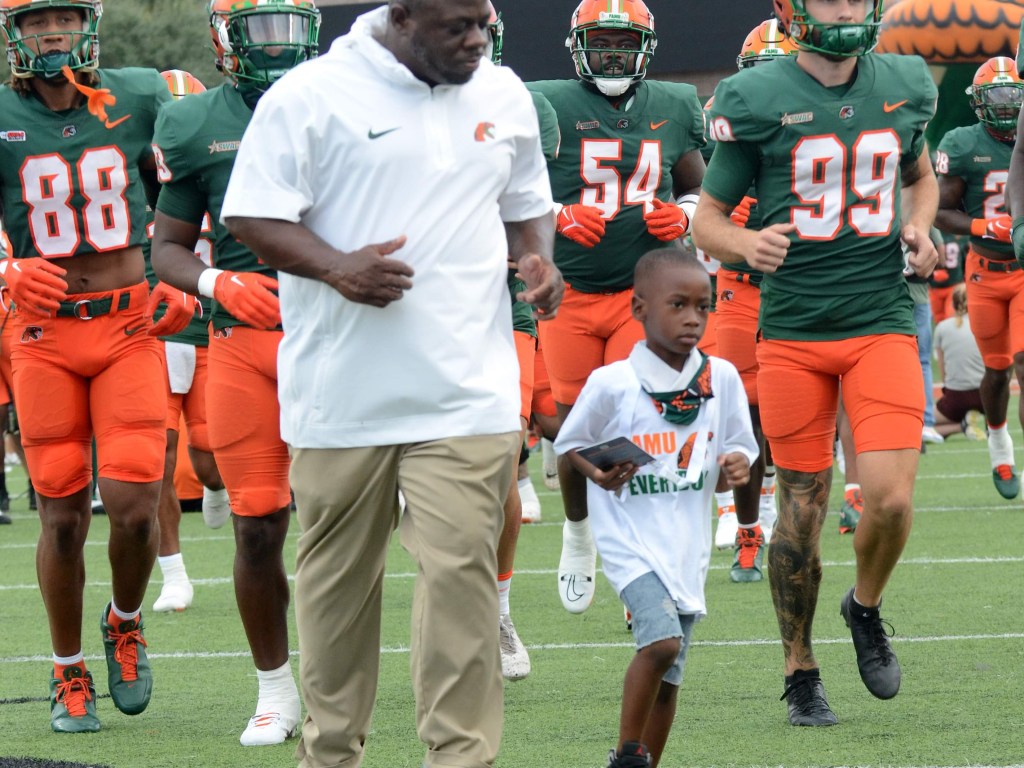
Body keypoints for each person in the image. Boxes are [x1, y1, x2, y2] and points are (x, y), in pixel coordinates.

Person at [220, 1, 561, 766]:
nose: (477, 40)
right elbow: (251, 216)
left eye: (484, 22)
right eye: (458, 26)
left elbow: (527, 208)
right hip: (343, 396)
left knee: (462, 576)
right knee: (337, 593)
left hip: (469, 390)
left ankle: (461, 757)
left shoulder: (504, 91)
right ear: (402, 17)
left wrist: (537, 259)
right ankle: (332, 753)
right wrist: (337, 267)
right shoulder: (309, 93)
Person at [692, 0, 939, 726]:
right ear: (790, 8)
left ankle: (864, 606)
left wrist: (919, 228)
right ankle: (799, 669)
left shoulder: (903, 82)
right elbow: (706, 220)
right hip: (793, 332)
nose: (846, 8)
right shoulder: (756, 96)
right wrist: (744, 245)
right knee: (800, 511)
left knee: (890, 501)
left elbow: (920, 178)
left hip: (879, 319)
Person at [0, 0, 193, 734]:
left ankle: (125, 620)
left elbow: (194, 187)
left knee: (137, 505)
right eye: (34, 22)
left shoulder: (142, 93)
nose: (52, 33)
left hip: (128, 324)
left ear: (89, 25)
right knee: (60, 514)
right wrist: (6, 269)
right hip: (43, 333)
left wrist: (179, 272)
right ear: (13, 34)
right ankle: (67, 669)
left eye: (65, 19)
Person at [150, 0, 320, 746]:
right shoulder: (194, 123)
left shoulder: (348, 102)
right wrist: (217, 282)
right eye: (260, 30)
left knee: (343, 524)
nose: (277, 46)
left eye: (289, 27)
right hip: (243, 341)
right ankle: (275, 690)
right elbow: (167, 246)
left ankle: (339, 680)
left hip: (335, 338)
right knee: (257, 526)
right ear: (225, 40)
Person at [528, 0, 707, 614]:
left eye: (623, 43)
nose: (611, 56)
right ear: (578, 46)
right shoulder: (546, 102)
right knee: (577, 428)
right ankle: (579, 533)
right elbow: (510, 183)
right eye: (601, 42)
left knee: (638, 422)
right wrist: (557, 213)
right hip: (572, 291)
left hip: (643, 297)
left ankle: (637, 561)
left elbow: (697, 183)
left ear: (646, 48)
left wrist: (683, 213)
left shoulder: (674, 104)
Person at [555, 248, 757, 768]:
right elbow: (569, 445)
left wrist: (737, 466)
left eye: (703, 307)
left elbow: (741, 447)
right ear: (639, 308)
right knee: (662, 643)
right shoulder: (613, 383)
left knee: (669, 679)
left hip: (686, 546)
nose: (693, 318)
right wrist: (596, 472)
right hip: (629, 540)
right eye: (678, 305)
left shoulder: (721, 378)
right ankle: (626, 755)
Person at [706, 18, 796, 582]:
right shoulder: (723, 120)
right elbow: (698, 200)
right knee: (746, 408)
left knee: (794, 413)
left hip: (804, 284)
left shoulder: (827, 121)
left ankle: (785, 516)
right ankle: (747, 525)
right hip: (740, 284)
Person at [486, 0, 561, 682]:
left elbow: (533, 205)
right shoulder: (376, 100)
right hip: (407, 311)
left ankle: (500, 610)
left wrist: (538, 260)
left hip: (498, 304)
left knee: (504, 454)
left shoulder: (518, 105)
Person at [145, 68, 231, 614]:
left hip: (207, 333)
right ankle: (173, 573)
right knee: (157, 453)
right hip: (150, 336)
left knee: (208, 456)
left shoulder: (218, 172)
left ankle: (216, 489)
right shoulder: (127, 180)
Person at [938, 56, 1024, 499]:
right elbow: (939, 210)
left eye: (1013, 94)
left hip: (1023, 270)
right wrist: (983, 226)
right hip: (984, 273)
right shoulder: (962, 143)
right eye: (998, 95)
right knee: (996, 371)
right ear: (978, 102)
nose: (1006, 104)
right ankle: (998, 442)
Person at [932, 284, 986, 438]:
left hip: (957, 396)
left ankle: (961, 426)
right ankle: (991, 424)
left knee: (921, 424)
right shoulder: (984, 324)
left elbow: (943, 373)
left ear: (953, 303)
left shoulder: (942, 327)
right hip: (986, 394)